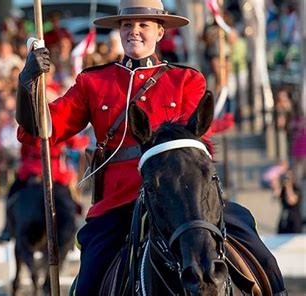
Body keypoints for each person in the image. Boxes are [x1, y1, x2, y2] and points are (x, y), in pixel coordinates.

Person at [15, 0, 287, 295]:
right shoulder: (94, 82)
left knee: (249, 236)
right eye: (128, 25)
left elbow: (196, 149)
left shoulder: (185, 80)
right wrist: (27, 85)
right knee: (90, 280)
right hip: (119, 204)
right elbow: (39, 131)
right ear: (119, 30)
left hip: (182, 200)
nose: (135, 31)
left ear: (160, 32)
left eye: (144, 25)